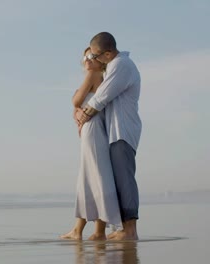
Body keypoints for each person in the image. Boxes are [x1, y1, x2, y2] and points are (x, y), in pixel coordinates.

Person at [75, 32, 142, 240]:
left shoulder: (122, 65)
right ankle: (123, 228)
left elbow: (102, 97)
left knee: (125, 180)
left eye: (95, 55)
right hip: (113, 131)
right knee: (117, 180)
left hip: (122, 131)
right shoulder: (114, 66)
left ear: (107, 53)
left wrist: (83, 116)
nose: (93, 59)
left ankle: (130, 230)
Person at [60, 47, 122, 241]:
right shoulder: (100, 76)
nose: (87, 59)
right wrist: (77, 109)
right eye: (85, 56)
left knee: (95, 176)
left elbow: (77, 100)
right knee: (92, 176)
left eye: (91, 56)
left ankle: (93, 231)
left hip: (92, 128)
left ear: (100, 60)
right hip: (93, 128)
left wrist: (76, 105)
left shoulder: (93, 74)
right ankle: (87, 230)